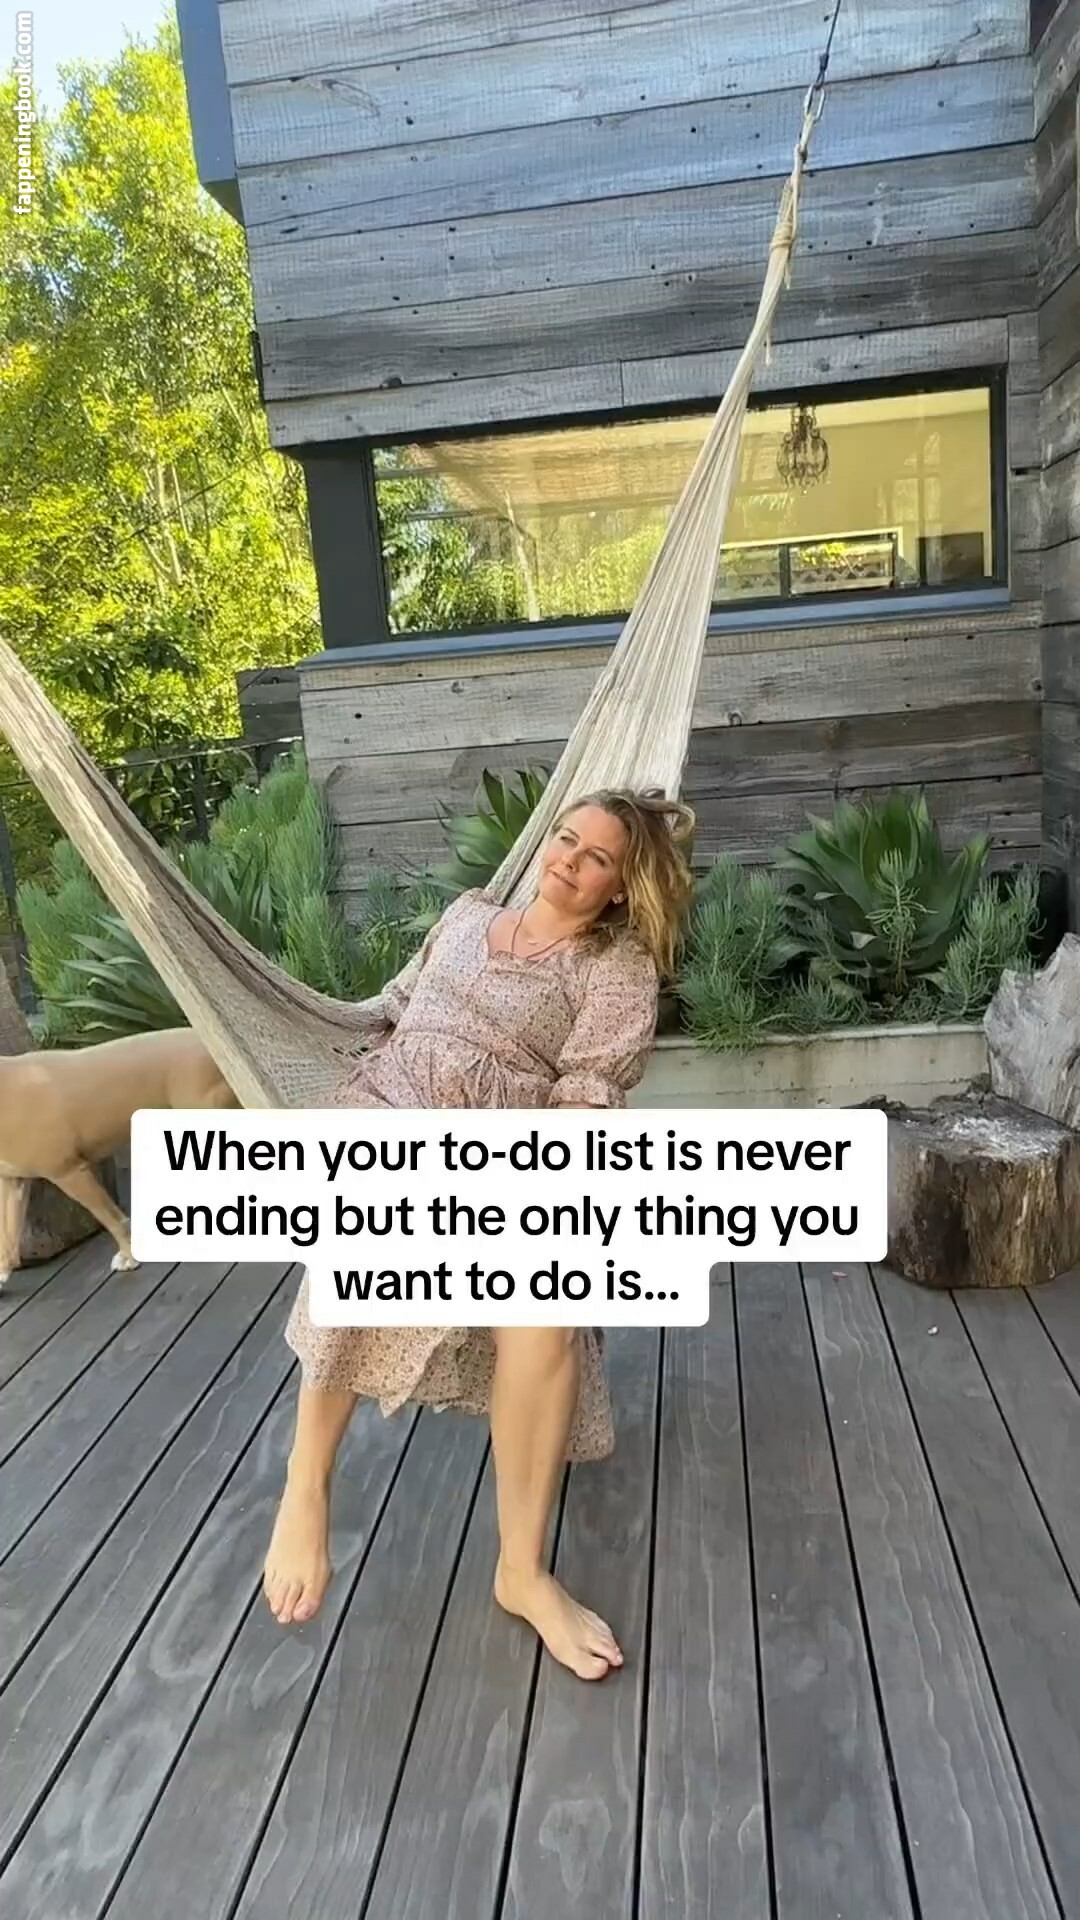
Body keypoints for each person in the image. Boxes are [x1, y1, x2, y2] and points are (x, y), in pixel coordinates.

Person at [263, 787, 694, 1681]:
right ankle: (306, 1487)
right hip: (388, 1109)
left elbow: (589, 1092)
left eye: (597, 858)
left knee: (545, 1316)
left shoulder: (614, 967)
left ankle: (521, 1573)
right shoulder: (467, 914)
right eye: (566, 839)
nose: (568, 860)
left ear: (620, 887)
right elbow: (390, 1009)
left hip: (508, 1147)